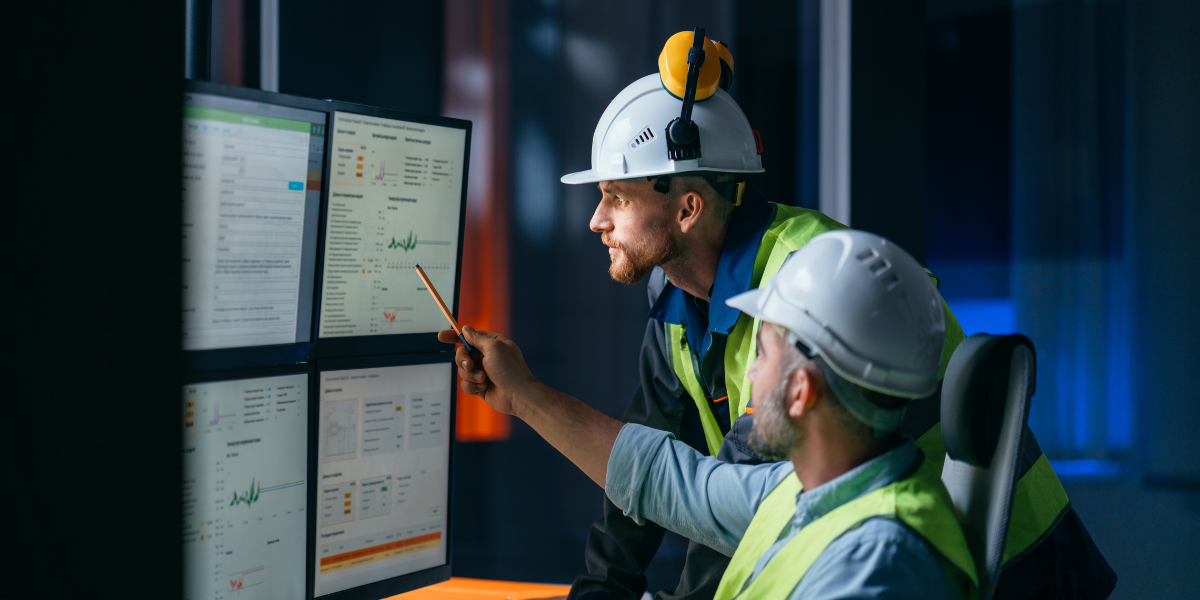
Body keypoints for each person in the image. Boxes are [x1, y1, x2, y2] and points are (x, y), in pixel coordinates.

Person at [558, 30, 1114, 600]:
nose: (597, 220)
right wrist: (604, 587)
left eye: (616, 198)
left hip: (1002, 563)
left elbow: (734, 499)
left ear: (687, 209)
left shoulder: (809, 282)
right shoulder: (676, 299)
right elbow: (645, 463)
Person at [443, 231, 979, 599]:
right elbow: (672, 482)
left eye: (762, 354)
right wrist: (522, 395)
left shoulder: (877, 565)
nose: (748, 376)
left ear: (801, 393)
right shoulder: (810, 491)